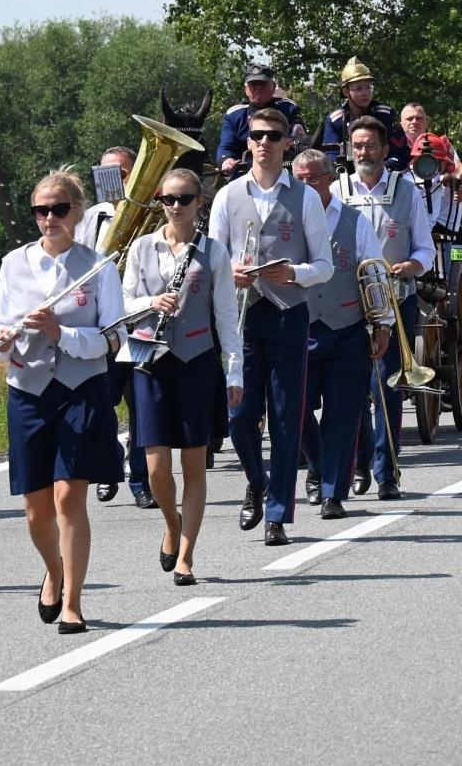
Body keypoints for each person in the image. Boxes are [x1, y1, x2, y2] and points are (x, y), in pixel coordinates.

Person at [0, 168, 124, 633]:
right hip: (27, 389)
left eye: (59, 210)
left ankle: (73, 603)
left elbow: (113, 337)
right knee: (35, 508)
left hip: (79, 388)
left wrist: (59, 333)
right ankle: (54, 568)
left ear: (77, 213)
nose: (49, 218)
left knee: (69, 497)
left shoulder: (99, 265)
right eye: (41, 211)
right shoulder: (13, 263)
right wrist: (2, 338)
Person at [207, 106, 335, 546]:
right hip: (241, 316)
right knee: (239, 416)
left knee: (286, 417)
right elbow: (211, 260)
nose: (264, 142)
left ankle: (278, 513)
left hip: (287, 315)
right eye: (257, 135)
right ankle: (256, 481)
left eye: (273, 136)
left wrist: (294, 273)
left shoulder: (305, 198)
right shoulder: (227, 196)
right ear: (247, 143)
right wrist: (231, 274)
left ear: (286, 144)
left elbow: (325, 265)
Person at [120, 168, 242, 585]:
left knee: (193, 464)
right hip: (149, 360)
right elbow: (122, 304)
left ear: (199, 202)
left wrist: (234, 372)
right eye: (167, 199)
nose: (174, 207)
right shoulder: (142, 248)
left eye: (184, 199)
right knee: (156, 467)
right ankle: (171, 527)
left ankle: (187, 553)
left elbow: (226, 316)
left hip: (196, 361)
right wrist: (151, 301)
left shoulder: (214, 252)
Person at [335, 116, 435, 500]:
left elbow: (424, 248)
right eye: (357, 146)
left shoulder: (406, 191)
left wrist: (412, 265)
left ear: (384, 149)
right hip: (348, 302)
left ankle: (386, 470)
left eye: (370, 145)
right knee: (351, 389)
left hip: (395, 299)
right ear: (349, 149)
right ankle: (359, 464)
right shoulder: (338, 190)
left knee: (388, 386)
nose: (364, 152)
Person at [290, 149, 390, 520]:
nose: (305, 185)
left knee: (343, 415)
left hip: (347, 329)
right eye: (298, 178)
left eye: (312, 178)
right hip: (297, 329)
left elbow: (374, 274)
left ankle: (333, 492)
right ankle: (317, 466)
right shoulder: (286, 221)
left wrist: (383, 325)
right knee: (294, 409)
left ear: (331, 177)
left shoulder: (355, 221)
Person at [74, 145, 154, 509]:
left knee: (142, 404)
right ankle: (108, 469)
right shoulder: (90, 217)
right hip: (102, 327)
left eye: (122, 173)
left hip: (139, 325)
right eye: (106, 173)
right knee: (102, 403)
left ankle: (141, 479)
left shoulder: (154, 214)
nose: (115, 180)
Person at [317, 57, 411, 168]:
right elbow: (330, 157)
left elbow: (401, 154)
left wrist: (377, 170)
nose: (365, 93)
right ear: (346, 91)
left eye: (368, 87)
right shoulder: (335, 121)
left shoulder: (386, 115)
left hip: (385, 175)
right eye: (358, 88)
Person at [215, 64, 305, 178]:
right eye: (253, 84)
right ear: (246, 90)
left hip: (285, 172)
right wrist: (227, 161)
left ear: (273, 87)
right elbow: (226, 147)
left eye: (263, 83)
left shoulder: (288, 108)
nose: (258, 87)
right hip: (245, 175)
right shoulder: (234, 115)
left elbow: (301, 143)